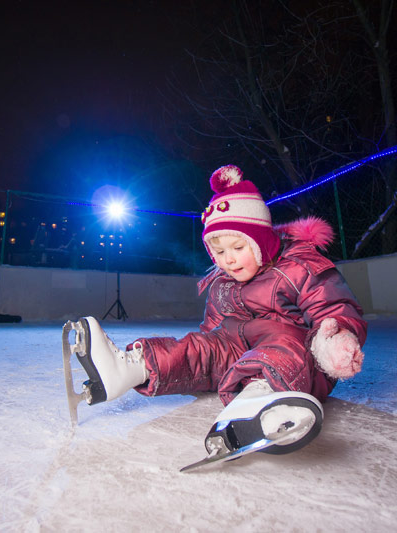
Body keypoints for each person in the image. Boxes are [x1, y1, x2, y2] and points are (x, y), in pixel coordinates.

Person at [69, 164, 366, 458]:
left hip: (297, 362)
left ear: (260, 239)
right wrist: (199, 355)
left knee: (283, 344)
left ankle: (261, 400)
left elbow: (335, 306)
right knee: (199, 347)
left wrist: (335, 339)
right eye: (219, 252)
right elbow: (211, 331)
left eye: (238, 247)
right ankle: (130, 369)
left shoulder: (298, 265)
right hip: (237, 351)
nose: (229, 261)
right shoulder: (222, 282)